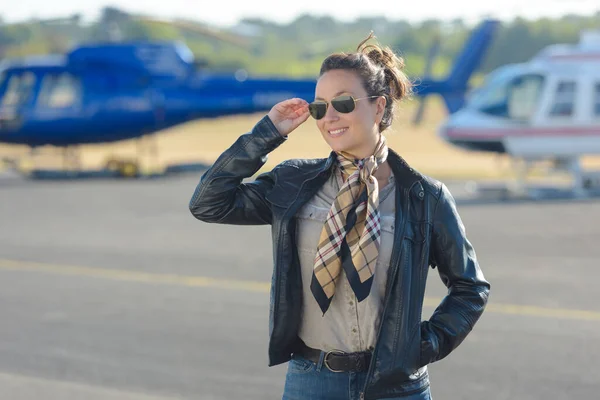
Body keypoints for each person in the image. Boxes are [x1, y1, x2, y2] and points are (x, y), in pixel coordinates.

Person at [189, 33, 490, 400]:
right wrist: (266, 134)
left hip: (397, 387)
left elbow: (470, 287)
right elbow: (209, 202)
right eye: (319, 107)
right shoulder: (293, 182)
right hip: (311, 381)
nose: (328, 117)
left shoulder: (425, 197)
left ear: (379, 107)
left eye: (343, 103)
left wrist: (422, 346)